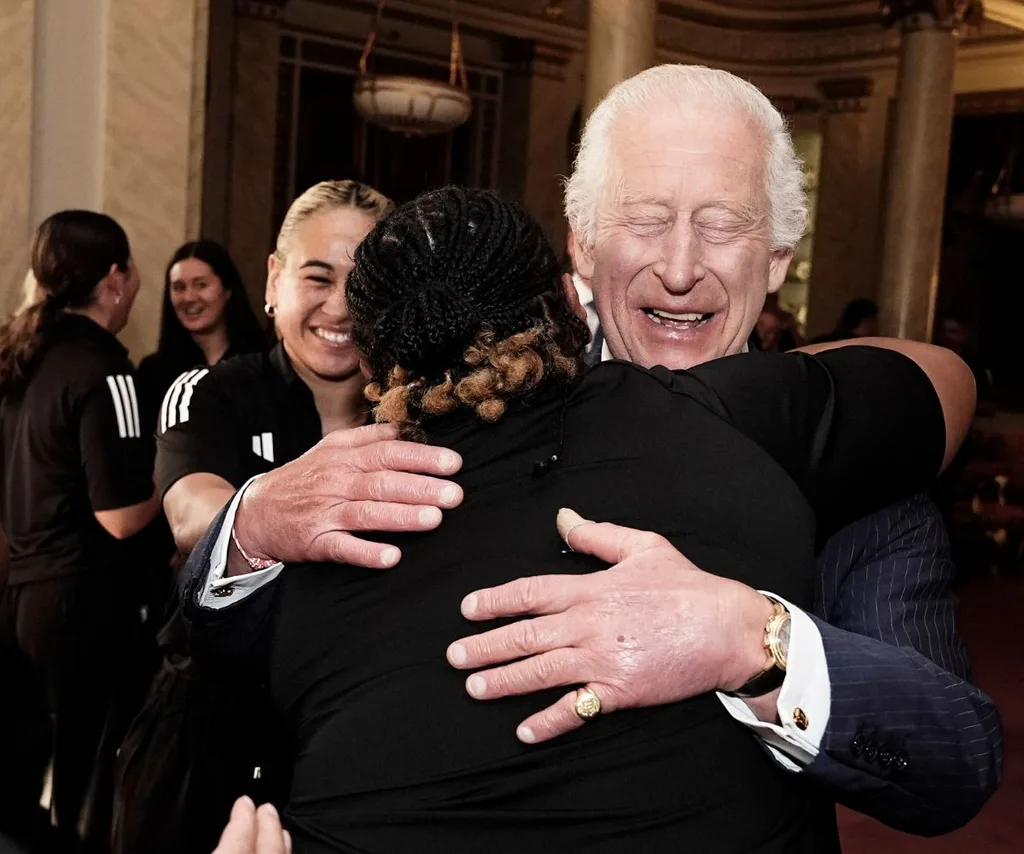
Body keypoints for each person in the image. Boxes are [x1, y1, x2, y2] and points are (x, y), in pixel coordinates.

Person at [180, 66, 1002, 834]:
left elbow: (952, 762)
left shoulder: (855, 464)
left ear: (779, 259)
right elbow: (230, 671)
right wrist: (249, 525)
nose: (680, 269)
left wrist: (756, 643)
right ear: (581, 245)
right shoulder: (450, 423)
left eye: (722, 227)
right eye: (645, 221)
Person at [111, 180, 458, 854]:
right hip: (210, 744)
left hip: (364, 753)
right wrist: (282, 512)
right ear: (274, 280)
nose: (340, 307)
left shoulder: (432, 418)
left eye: (367, 284)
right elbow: (190, 510)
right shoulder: (218, 391)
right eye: (318, 276)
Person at [0, 211, 160, 852]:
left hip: (18, 595)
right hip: (80, 605)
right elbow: (120, 517)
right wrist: (182, 486)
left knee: (20, 785)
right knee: (78, 788)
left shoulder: (22, 356)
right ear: (115, 278)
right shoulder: (107, 370)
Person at [137, 240, 267, 440]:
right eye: (179, 287)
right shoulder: (152, 373)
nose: (189, 297)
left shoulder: (264, 366)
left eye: (201, 285)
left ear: (227, 289)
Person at [811, 297, 879, 343]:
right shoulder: (859, 346)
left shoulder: (823, 341)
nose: (875, 325)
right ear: (865, 321)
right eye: (873, 321)